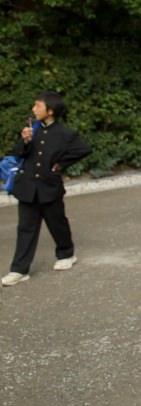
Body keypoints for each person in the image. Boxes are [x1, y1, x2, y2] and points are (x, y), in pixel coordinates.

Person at [2, 91, 91, 286]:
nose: (33, 109)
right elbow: (19, 153)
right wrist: (24, 141)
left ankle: (66, 254)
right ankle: (19, 269)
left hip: (49, 187)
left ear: (50, 111)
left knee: (57, 223)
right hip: (28, 188)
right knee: (25, 229)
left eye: (37, 106)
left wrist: (60, 164)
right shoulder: (32, 129)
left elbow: (84, 149)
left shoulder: (65, 133)